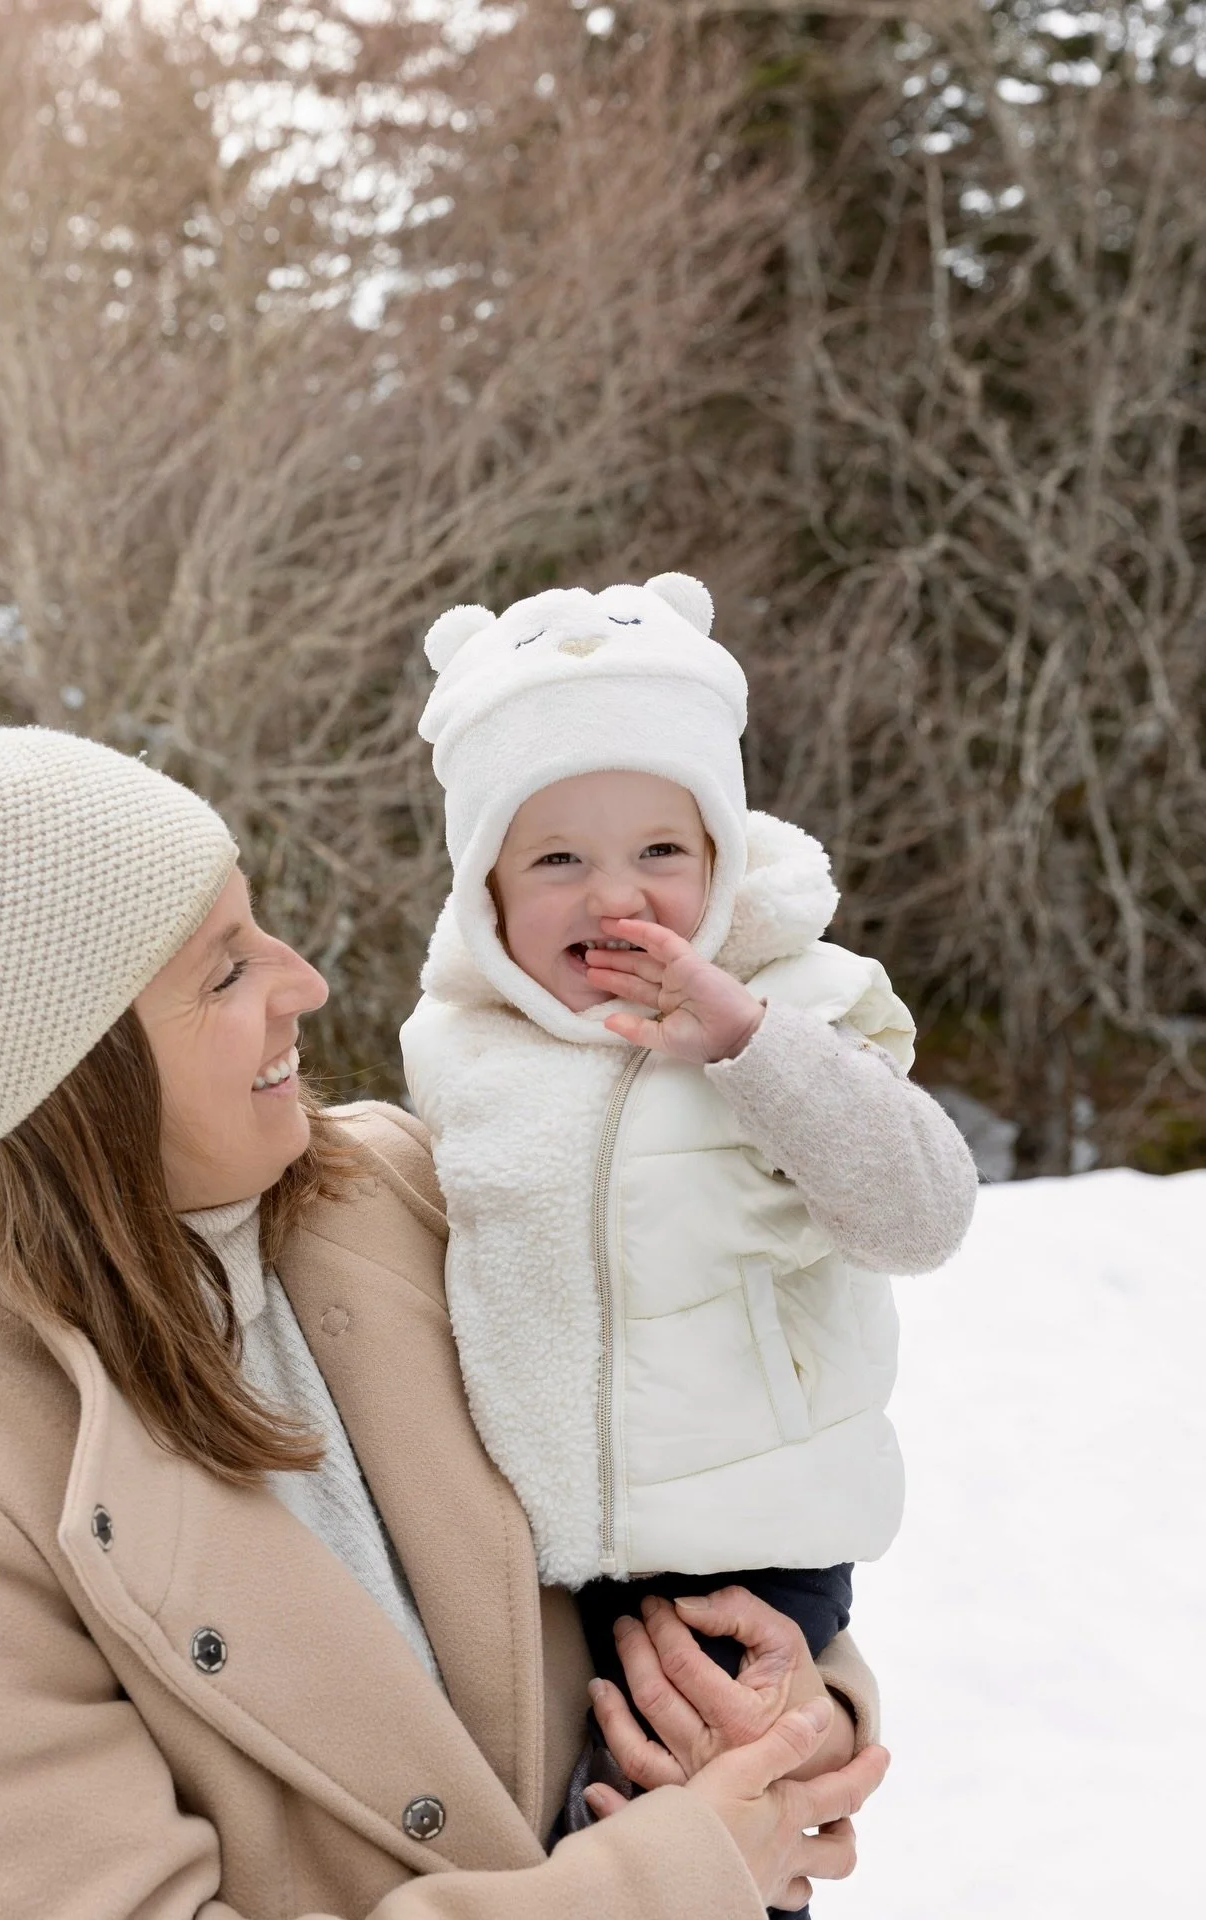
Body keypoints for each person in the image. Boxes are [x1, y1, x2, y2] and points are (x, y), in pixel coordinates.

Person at [0, 617, 888, 1920]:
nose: (302, 983)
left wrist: (791, 1703)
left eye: (264, 930)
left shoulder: (415, 1189)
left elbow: (701, 1492)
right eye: (226, 970)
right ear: (75, 1078)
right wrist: (674, 1876)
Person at [400, 575, 979, 1913]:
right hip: (543, 1566)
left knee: (702, 1820)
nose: (618, 897)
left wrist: (748, 1045)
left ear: (721, 857)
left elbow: (922, 1213)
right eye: (557, 860)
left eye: (662, 850)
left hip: (750, 1542)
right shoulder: (460, 1050)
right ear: (484, 884)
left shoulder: (801, 1009)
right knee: (586, 1840)